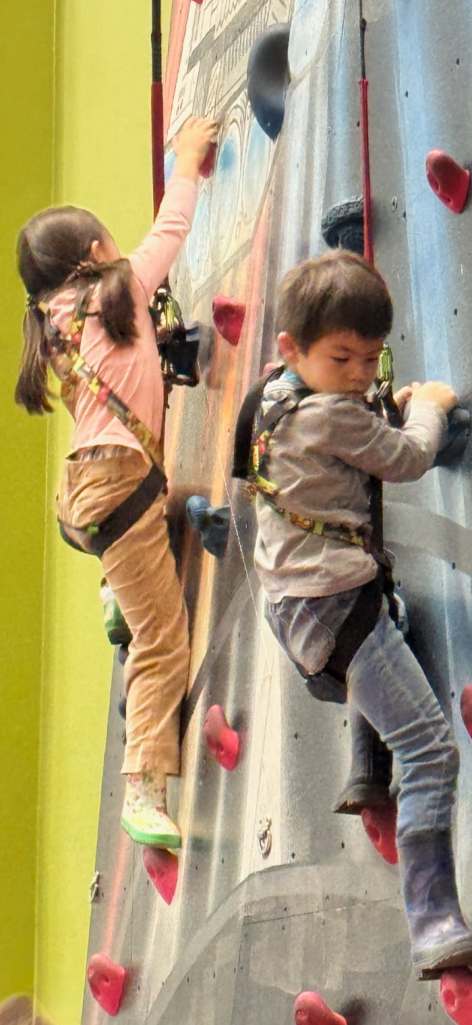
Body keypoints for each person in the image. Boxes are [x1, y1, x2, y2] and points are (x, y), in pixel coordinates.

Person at [245, 249, 472, 978]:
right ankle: (435, 922)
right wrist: (429, 408)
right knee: (433, 750)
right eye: (341, 357)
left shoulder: (272, 399)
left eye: (370, 360)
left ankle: (364, 770)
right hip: (336, 605)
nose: (358, 375)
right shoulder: (335, 417)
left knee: (394, 627)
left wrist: (379, 398)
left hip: (301, 603)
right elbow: (405, 459)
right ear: (293, 347)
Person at [15, 115, 218, 850]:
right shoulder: (119, 290)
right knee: (163, 637)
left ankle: (113, 597)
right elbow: (169, 233)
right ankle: (143, 787)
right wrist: (188, 163)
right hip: (120, 488)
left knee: (140, 552)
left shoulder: (55, 323)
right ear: (98, 253)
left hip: (92, 490)